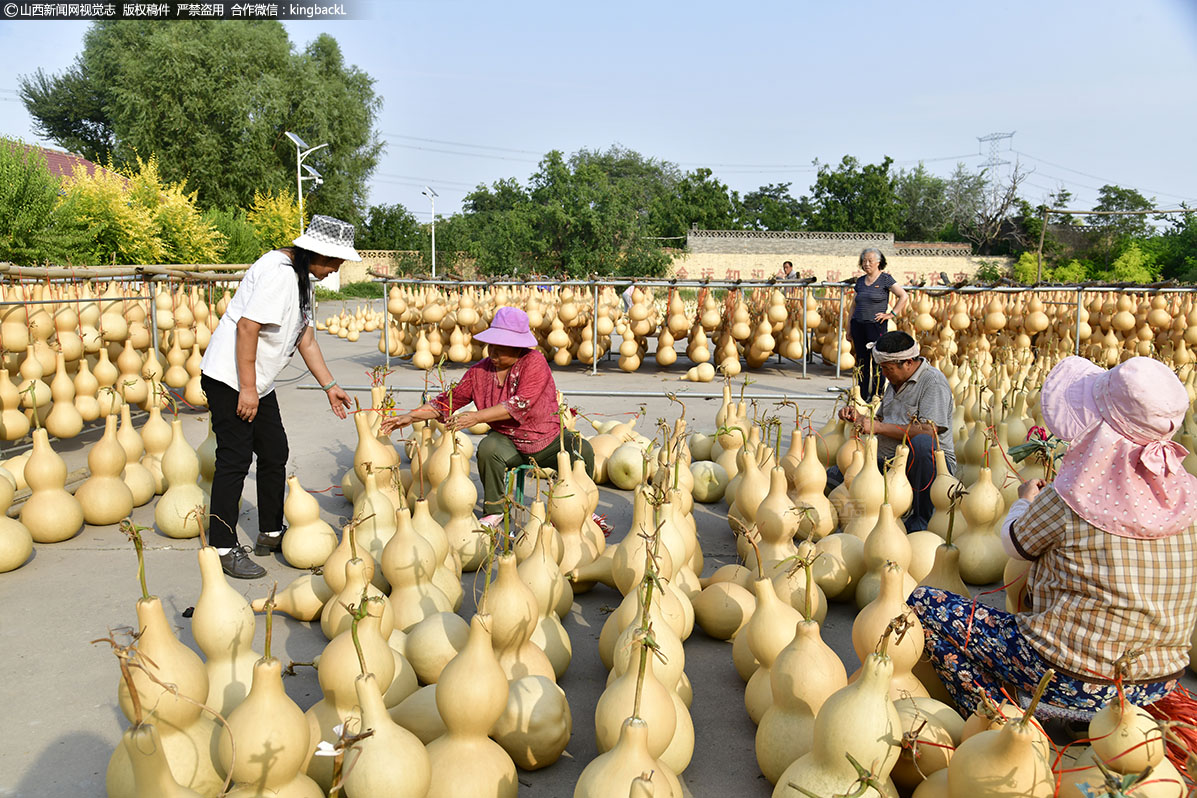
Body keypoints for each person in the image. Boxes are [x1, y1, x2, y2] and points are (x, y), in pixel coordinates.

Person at [909, 356, 1197, 719]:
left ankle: (1002, 717)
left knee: (923, 602)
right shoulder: (1190, 496)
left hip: (1072, 677)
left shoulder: (1073, 494)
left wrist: (1025, 501)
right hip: (1158, 679)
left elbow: (1014, 543)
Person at [199, 215, 355, 578]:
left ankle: (270, 531)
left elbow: (306, 338)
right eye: (332, 262)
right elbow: (247, 327)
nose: (335, 270)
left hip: (257, 380)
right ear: (312, 252)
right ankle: (222, 546)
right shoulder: (279, 273)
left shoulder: (303, 279)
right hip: (230, 379)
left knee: (274, 452)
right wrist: (248, 389)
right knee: (234, 459)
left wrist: (330, 386)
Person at [381, 306, 595, 526]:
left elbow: (520, 403)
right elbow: (448, 401)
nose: (492, 353)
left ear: (518, 348)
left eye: (500, 348)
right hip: (509, 442)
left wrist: (476, 417)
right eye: (491, 346)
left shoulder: (535, 362)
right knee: (488, 448)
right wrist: (411, 416)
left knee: (581, 448)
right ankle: (495, 509)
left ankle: (585, 507)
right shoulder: (478, 372)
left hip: (547, 439)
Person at [829, 330, 955, 532]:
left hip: (925, 465)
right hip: (888, 460)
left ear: (908, 363)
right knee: (833, 479)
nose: (884, 373)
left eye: (887, 368)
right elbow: (882, 419)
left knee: (923, 443)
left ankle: (922, 518)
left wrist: (878, 427)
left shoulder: (932, 382)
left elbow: (929, 430)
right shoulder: (896, 381)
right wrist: (860, 417)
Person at [849, 248, 908, 401]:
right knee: (861, 361)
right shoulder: (860, 281)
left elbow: (903, 296)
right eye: (864, 261)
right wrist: (849, 328)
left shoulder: (886, 279)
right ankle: (861, 395)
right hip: (858, 325)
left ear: (878, 262)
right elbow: (853, 306)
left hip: (876, 326)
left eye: (870, 261)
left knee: (878, 361)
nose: (866, 264)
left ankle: (877, 395)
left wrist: (891, 314)